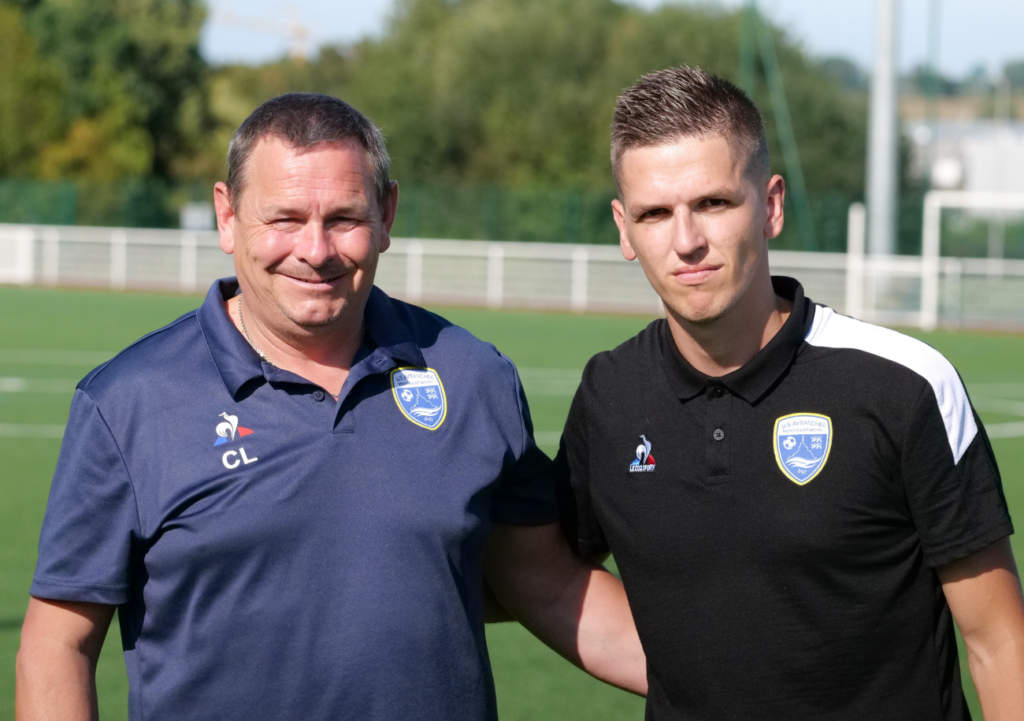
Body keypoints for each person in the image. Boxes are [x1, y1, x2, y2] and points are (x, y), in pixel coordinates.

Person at [16, 93, 646, 721]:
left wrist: (726, 677)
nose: (315, 251)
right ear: (227, 216)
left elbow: (546, 583)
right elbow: (57, 645)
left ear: (388, 212)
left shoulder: (472, 376)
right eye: (284, 219)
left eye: (344, 218)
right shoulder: (129, 401)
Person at [555, 66, 1024, 720]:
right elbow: (540, 571)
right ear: (624, 229)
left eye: (713, 203)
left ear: (770, 205)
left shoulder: (903, 384)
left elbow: (999, 640)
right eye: (655, 213)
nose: (686, 240)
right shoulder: (609, 394)